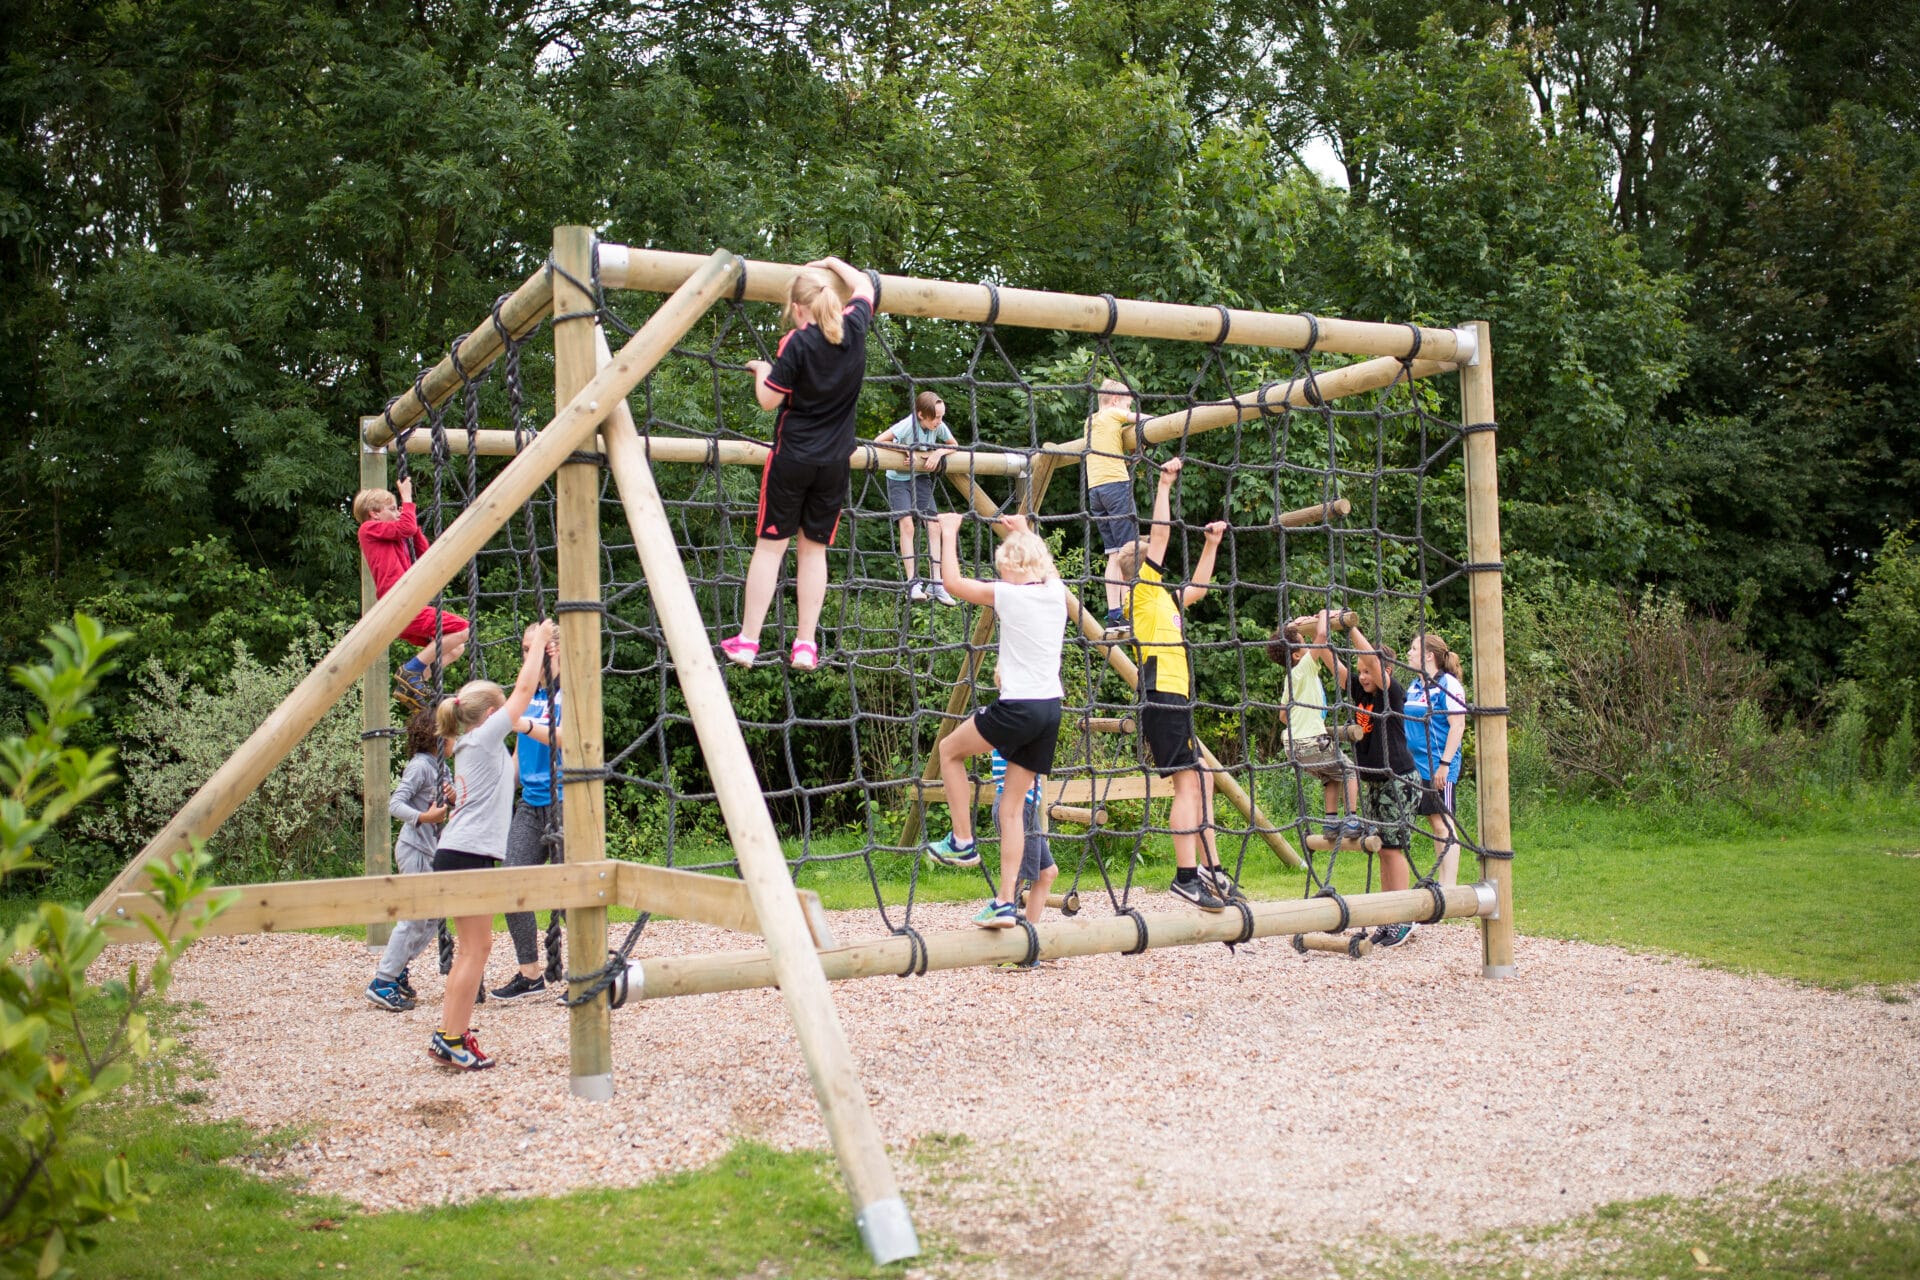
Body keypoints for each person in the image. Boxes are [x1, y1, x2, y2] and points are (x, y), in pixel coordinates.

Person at [724, 257, 876, 672]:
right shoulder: (856, 327)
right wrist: (833, 262)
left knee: (771, 548)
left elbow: (768, 399)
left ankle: (749, 640)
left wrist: (761, 370)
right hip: (834, 463)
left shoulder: (797, 341)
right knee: (814, 552)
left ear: (796, 307)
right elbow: (864, 284)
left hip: (792, 458)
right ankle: (806, 643)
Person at [924, 512, 1068, 928]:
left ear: (1010, 567)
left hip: (1018, 706)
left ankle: (963, 841)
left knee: (949, 751)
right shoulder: (1056, 593)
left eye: (1003, 563)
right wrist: (1023, 529)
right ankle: (1006, 901)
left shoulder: (1009, 594)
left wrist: (949, 532)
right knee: (1011, 809)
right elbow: (1047, 565)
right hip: (1049, 710)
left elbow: (952, 584)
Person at [1105, 457, 1237, 910]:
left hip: (1174, 695)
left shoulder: (1161, 596)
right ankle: (1185, 876)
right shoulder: (1143, 588)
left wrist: (1211, 545)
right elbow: (1158, 533)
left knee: (1201, 778)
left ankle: (1210, 868)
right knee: (1187, 782)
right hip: (1160, 694)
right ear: (1144, 565)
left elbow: (1198, 588)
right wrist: (1164, 483)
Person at [428, 617, 556, 1070]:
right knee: (475, 950)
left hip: (463, 853)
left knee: (474, 949)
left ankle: (452, 1034)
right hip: (466, 856)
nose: (510, 714)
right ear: (488, 717)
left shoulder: (474, 744)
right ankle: (450, 1035)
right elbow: (522, 695)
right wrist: (539, 642)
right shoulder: (482, 738)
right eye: (502, 711)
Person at [1305, 609, 1422, 948]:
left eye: (1368, 671)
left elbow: (1370, 659)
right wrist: (1320, 629)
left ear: (1384, 671)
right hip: (1373, 782)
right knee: (1383, 847)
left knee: (1393, 849)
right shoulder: (1359, 690)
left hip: (1398, 780)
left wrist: (1351, 627)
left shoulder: (1391, 692)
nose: (1363, 676)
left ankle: (1403, 916)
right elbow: (1330, 662)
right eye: (1360, 672)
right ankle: (1388, 916)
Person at [355, 475, 471, 711]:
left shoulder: (395, 534)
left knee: (456, 648)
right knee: (462, 629)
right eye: (391, 508)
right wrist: (407, 499)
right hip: (398, 602)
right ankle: (411, 670)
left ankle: (412, 684)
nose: (397, 512)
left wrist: (410, 521)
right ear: (374, 514)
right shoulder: (369, 529)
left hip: (407, 602)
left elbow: (424, 552)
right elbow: (405, 526)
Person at [493, 620, 564, 1001]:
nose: (528, 655)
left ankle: (590, 971)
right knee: (511, 882)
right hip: (531, 804)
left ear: (552, 651)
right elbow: (518, 758)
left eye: (534, 647)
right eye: (524, 648)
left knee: (573, 891)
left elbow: (568, 737)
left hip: (568, 804)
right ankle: (530, 972)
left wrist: (523, 722)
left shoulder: (570, 693)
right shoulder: (528, 696)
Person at [364, 706, 451, 1012]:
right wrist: (424, 817)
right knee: (414, 916)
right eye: (452, 733)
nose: (456, 739)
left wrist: (452, 797)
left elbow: (446, 796)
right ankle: (383, 980)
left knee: (430, 918)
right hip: (413, 848)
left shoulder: (440, 766)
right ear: (436, 737)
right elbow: (395, 803)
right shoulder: (420, 766)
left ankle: (398, 968)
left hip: (429, 850)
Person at [1266, 619, 1363, 841]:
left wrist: (1302, 720)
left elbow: (1283, 715)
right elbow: (1321, 636)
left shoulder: (1290, 679)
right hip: (1312, 742)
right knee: (1349, 770)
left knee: (1331, 777)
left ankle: (1330, 824)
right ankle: (1352, 820)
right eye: (1303, 643)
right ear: (1297, 655)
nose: (1309, 647)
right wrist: (1322, 615)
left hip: (1292, 748)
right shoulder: (1303, 668)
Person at [1073, 378, 1141, 639]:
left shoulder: (1090, 421)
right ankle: (1128, 609)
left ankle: (1115, 615)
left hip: (1096, 492)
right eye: (1126, 403)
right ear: (1115, 401)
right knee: (1128, 552)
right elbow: (1143, 418)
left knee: (1113, 554)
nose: (1127, 408)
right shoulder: (1114, 413)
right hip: (1116, 487)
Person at [876, 391, 958, 604]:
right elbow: (878, 440)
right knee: (907, 525)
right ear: (921, 415)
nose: (939, 422)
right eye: (936, 417)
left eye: (941, 417)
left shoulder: (938, 426)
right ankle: (912, 582)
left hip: (921, 478)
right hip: (898, 480)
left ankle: (936, 582)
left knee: (934, 525)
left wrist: (938, 453)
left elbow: (953, 444)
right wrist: (904, 450)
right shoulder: (908, 424)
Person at [1405, 631, 1468, 887]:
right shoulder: (1415, 685)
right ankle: (1441, 884)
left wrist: (1444, 764)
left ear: (1428, 655)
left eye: (1413, 648)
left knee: (1444, 823)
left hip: (1439, 766)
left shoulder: (1448, 685)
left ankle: (1449, 886)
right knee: (1434, 822)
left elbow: (1458, 726)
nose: (1408, 653)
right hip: (1416, 766)